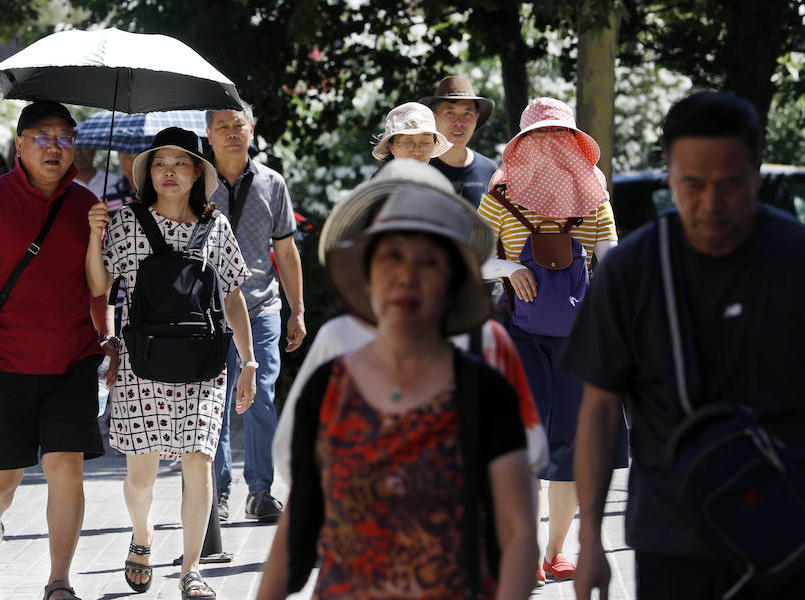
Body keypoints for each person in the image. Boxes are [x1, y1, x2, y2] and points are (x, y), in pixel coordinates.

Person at [563, 91, 805, 600]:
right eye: (692, 185)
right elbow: (599, 412)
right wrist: (590, 544)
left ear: (757, 172)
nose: (711, 204)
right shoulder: (631, 272)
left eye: (730, 185)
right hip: (672, 541)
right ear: (669, 173)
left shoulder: (795, 259)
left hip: (790, 528)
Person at [256, 167, 538, 600]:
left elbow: (518, 531)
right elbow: (296, 525)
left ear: (452, 281)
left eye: (428, 261)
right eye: (391, 256)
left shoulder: (486, 392)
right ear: (367, 274)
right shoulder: (328, 388)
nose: (407, 275)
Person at [271, 159, 549, 497]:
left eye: (427, 254)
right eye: (391, 253)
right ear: (366, 257)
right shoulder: (340, 339)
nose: (407, 274)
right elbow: (292, 452)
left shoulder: (486, 341)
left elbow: (526, 450)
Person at [0, 100, 116, 600]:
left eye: (65, 137)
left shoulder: (88, 205)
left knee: (66, 467)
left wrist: (106, 331)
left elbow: (98, 287)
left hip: (71, 357)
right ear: (20, 144)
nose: (54, 147)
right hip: (3, 360)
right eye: (42, 137)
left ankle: (59, 581)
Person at [85, 127, 255, 598]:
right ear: (149, 173)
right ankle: (142, 536)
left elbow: (234, 293)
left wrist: (249, 363)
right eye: (160, 163)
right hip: (143, 364)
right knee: (141, 477)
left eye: (181, 163)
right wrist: (95, 234)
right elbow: (99, 284)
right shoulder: (125, 222)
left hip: (204, 365)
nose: (169, 172)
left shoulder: (215, 226)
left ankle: (191, 570)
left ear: (198, 171)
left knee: (199, 462)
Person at [477, 97, 622, 585]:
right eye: (539, 136)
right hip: (518, 330)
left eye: (557, 136)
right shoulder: (498, 194)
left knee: (568, 444)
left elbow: (611, 263)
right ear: (523, 143)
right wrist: (510, 267)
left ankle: (555, 553)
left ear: (572, 140)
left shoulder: (594, 194)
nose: (549, 145)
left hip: (577, 338)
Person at [206, 101, 306, 523]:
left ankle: (261, 491)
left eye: (238, 124)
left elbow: (285, 248)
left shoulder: (272, 183)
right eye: (222, 126)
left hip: (262, 306)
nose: (231, 132)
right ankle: (218, 493)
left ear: (252, 128)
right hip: (207, 311)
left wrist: (298, 310)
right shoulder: (197, 181)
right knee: (216, 401)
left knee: (262, 394)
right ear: (208, 134)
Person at [420, 75, 498, 209]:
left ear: (476, 118)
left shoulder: (490, 171)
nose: (459, 122)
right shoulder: (419, 169)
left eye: (467, 114)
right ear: (434, 117)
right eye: (450, 113)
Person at [371, 101, 451, 164]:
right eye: (407, 143)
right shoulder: (381, 184)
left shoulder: (439, 183)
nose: (417, 151)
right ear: (392, 147)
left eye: (425, 143)